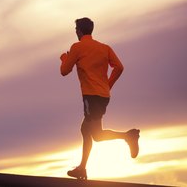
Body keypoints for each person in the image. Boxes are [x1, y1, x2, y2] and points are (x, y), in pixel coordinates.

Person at [60, 17, 140, 180]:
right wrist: (107, 85)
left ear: (79, 31)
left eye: (76, 29)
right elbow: (119, 67)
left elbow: (64, 71)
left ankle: (128, 136)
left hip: (91, 96)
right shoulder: (104, 48)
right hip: (103, 96)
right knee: (85, 130)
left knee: (96, 135)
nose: (75, 32)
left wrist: (64, 59)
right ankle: (82, 168)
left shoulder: (77, 47)